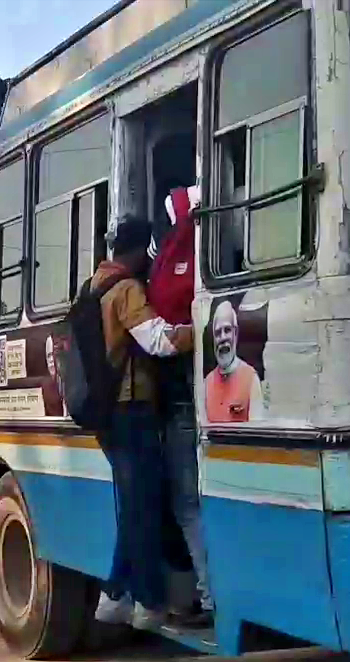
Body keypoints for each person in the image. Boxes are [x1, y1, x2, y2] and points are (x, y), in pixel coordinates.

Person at [92, 216, 194, 631]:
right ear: (138, 250)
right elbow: (158, 341)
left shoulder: (93, 286)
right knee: (145, 509)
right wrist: (204, 326)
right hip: (131, 410)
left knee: (136, 506)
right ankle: (147, 601)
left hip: (104, 414)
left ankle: (114, 596)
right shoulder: (127, 289)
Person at [147, 185, 214, 627]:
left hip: (176, 398)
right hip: (214, 391)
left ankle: (209, 596)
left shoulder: (166, 259)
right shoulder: (215, 238)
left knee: (186, 503)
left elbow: (160, 341)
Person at [204, 300, 263, 423]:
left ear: (235, 333)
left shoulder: (251, 379)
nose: (223, 338)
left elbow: (256, 434)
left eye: (227, 330)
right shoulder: (206, 384)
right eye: (218, 333)